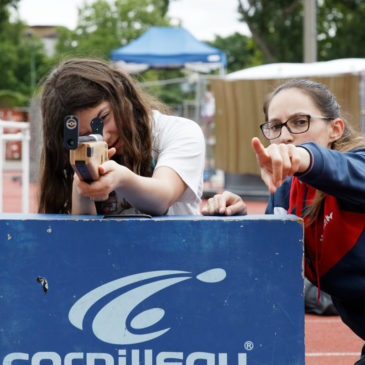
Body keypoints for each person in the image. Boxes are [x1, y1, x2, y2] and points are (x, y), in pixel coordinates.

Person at [201, 79, 365, 364]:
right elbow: (267, 263)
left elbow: (344, 170)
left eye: (300, 122)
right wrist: (239, 219)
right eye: (275, 126)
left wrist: (304, 157)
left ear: (335, 129)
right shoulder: (288, 192)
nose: (285, 136)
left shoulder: (356, 166)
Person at [38, 58, 205, 216]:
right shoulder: (74, 156)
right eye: (85, 136)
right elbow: (84, 234)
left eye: (103, 118)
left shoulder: (178, 132)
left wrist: (122, 179)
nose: (103, 137)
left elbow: (162, 198)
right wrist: (82, 186)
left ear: (122, 97)